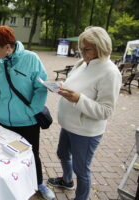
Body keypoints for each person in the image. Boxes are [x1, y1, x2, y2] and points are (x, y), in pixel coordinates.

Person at [47, 27, 122, 200]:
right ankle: (67, 181)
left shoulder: (110, 72)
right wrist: (60, 86)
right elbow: (72, 83)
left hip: (85, 132)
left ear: (101, 47)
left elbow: (106, 111)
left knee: (81, 169)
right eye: (80, 47)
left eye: (86, 48)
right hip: (68, 124)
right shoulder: (82, 62)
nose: (81, 52)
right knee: (62, 154)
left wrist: (79, 99)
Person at [0, 26, 55, 200]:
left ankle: (39, 183)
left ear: (8, 47)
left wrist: (31, 110)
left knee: (32, 155)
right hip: (3, 121)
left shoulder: (31, 59)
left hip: (27, 121)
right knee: (5, 154)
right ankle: (10, 183)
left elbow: (41, 88)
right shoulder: (0, 63)